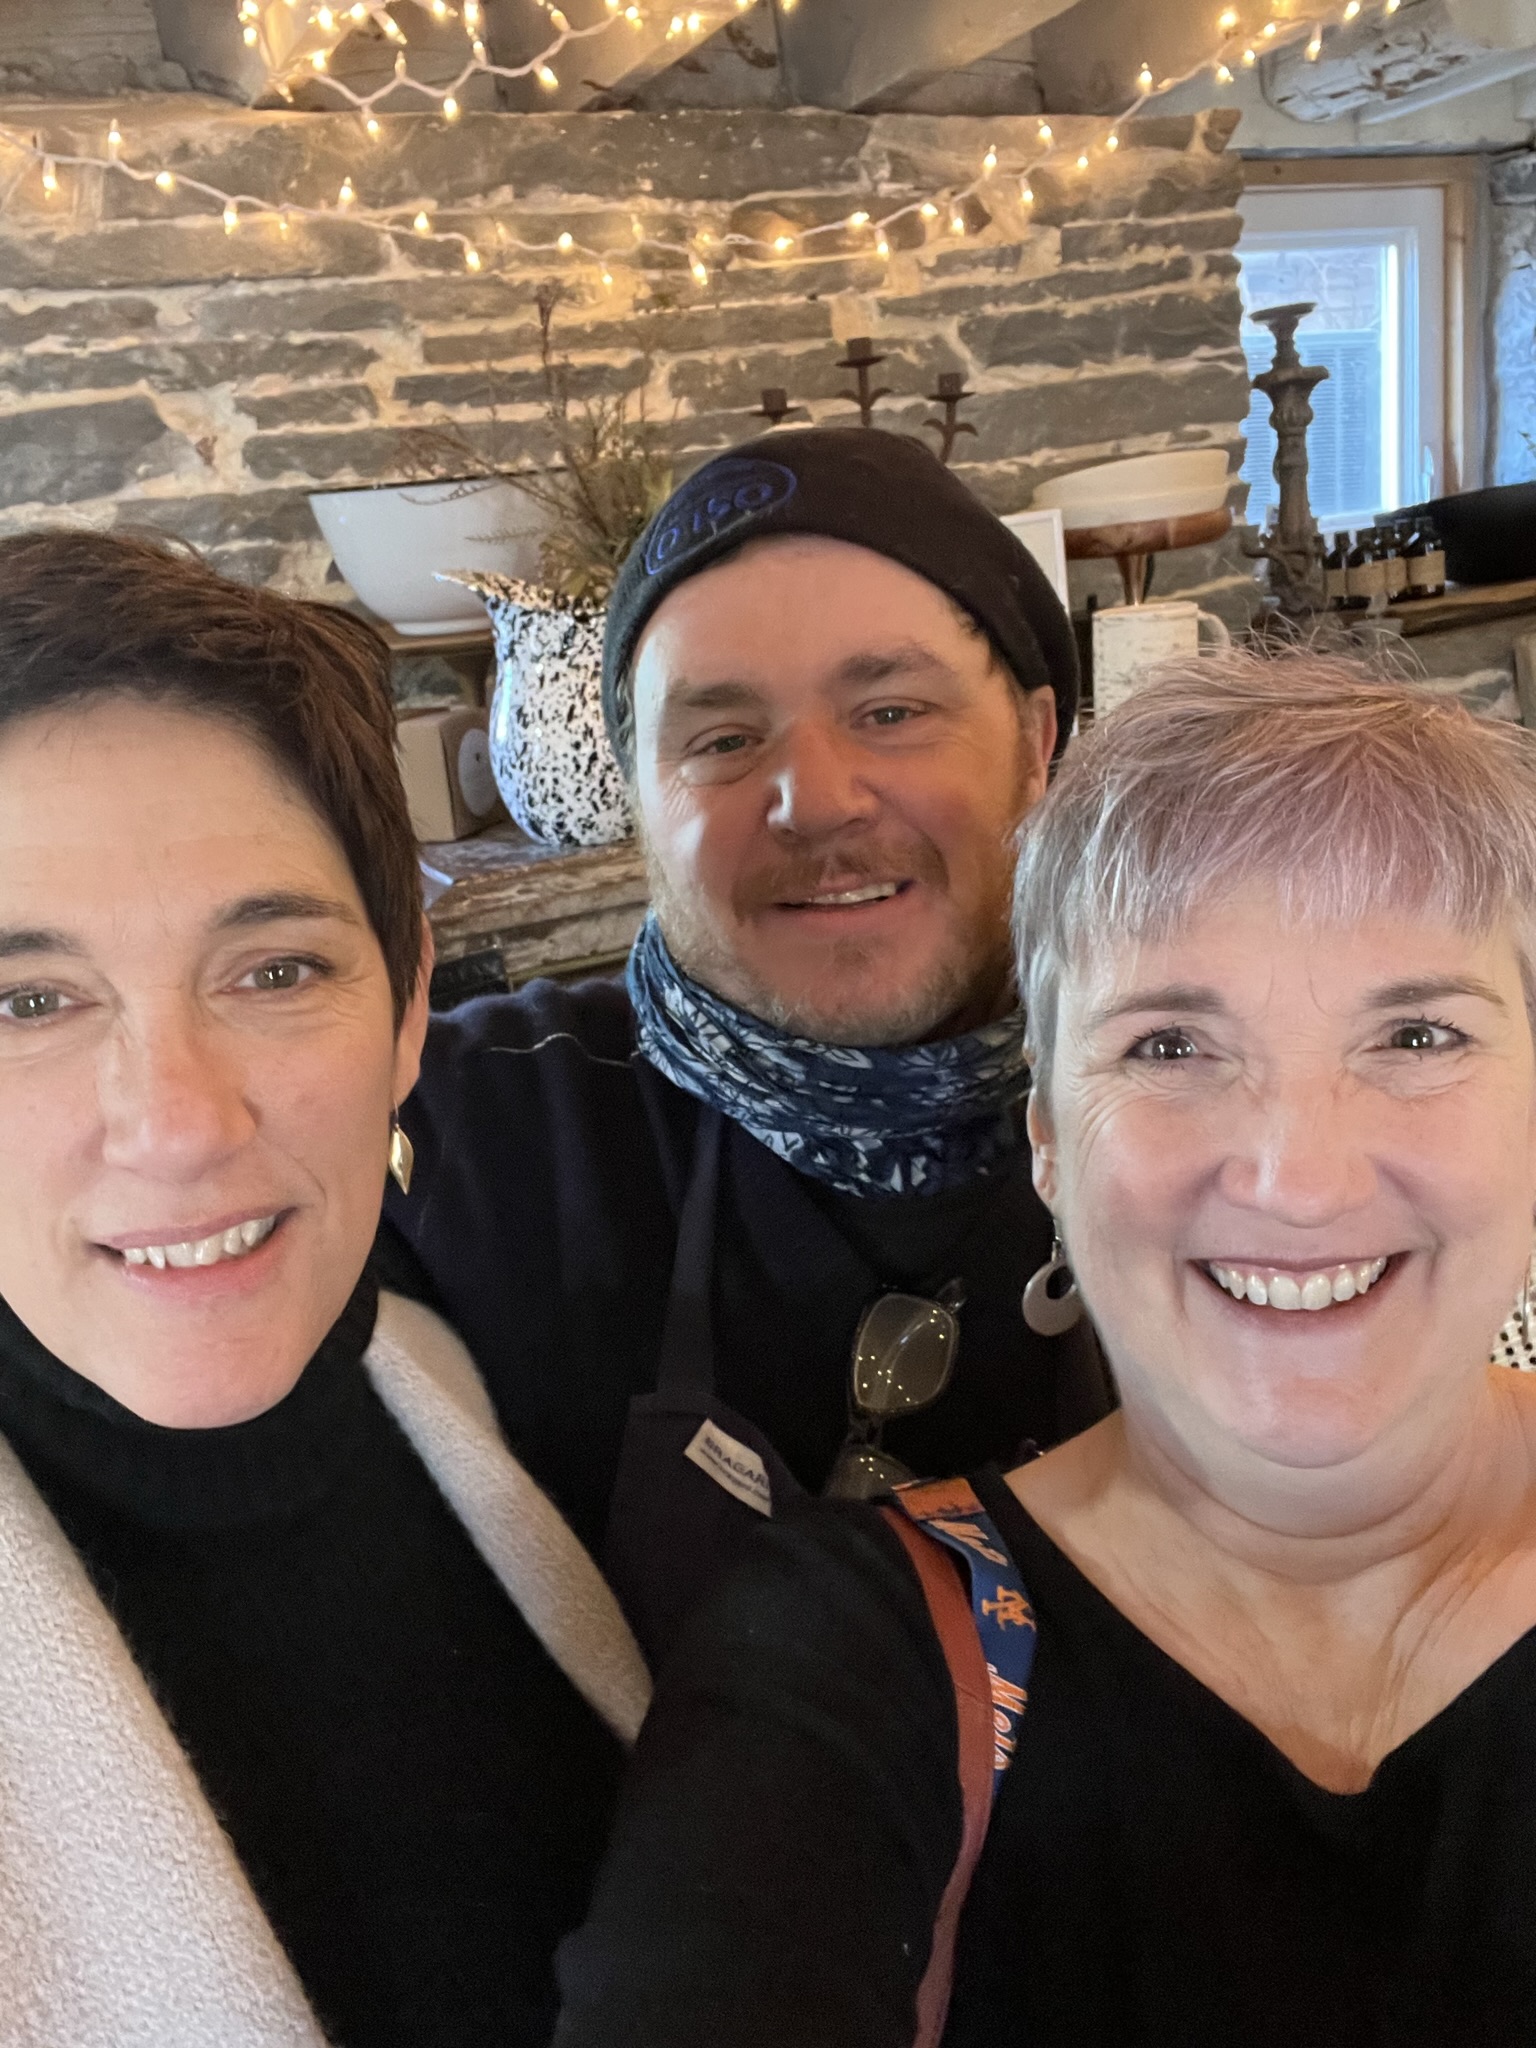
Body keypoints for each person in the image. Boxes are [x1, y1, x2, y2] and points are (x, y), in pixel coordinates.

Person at [554, 655, 1536, 2048]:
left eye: (1417, 1033)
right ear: (1050, 1147)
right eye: (1172, 1046)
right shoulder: (849, 1660)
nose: (1298, 1179)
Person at [0, 533, 648, 2048]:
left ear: (412, 1001)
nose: (178, 1121)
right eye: (26, 1000)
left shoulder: (466, 1384)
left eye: (274, 970)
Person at [381, 428, 1112, 1664]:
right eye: (721, 739)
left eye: (891, 711)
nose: (815, 799)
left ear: (1037, 743)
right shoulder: (464, 1135)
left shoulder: (1207, 1107)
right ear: (635, 794)